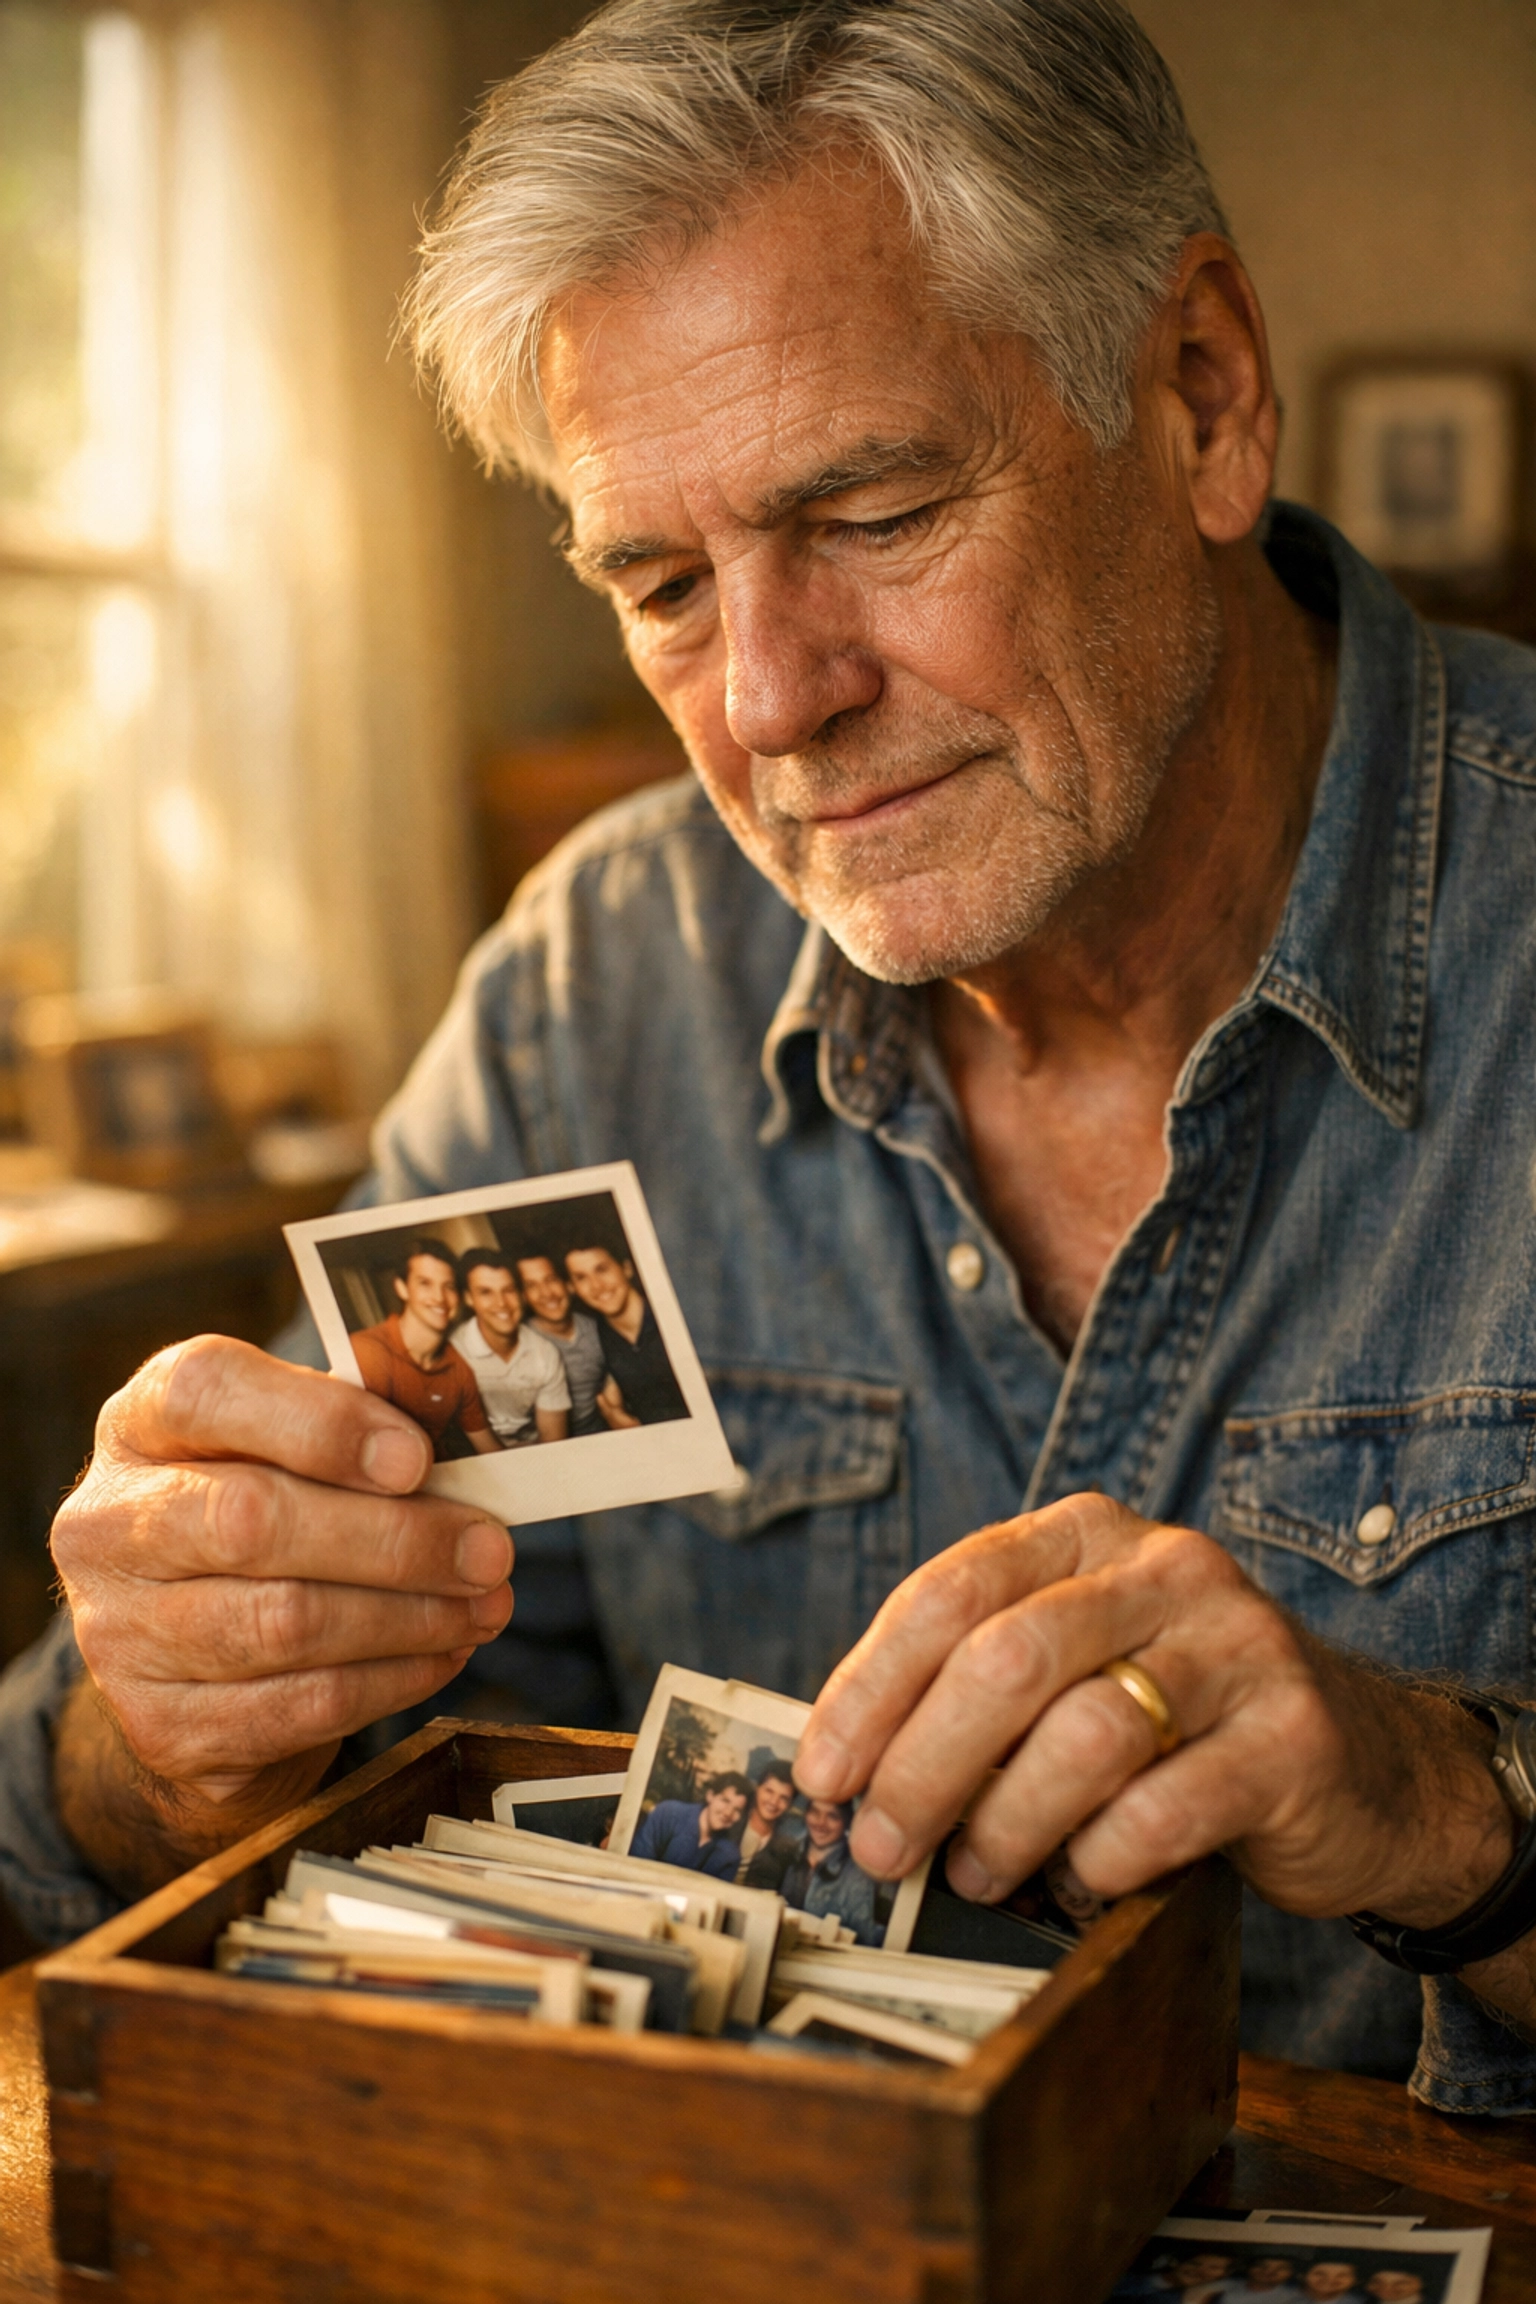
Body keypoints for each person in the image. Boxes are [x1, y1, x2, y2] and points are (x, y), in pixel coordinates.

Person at [7, 0, 1536, 2115]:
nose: (772, 699)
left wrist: (1458, 1820)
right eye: (655, 580)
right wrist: (168, 1719)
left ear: (1200, 398)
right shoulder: (593, 990)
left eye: (882, 513)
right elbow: (96, 1835)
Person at [350, 1242, 500, 1461]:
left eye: (448, 1287)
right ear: (402, 1288)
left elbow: (489, 1448)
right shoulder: (367, 1352)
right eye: (425, 1283)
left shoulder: (458, 1368)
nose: (439, 1297)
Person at [451, 1250, 571, 1447]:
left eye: (508, 1290)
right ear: (468, 1298)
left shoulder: (545, 1353)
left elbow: (554, 1441)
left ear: (521, 1295)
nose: (501, 1303)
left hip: (535, 1450)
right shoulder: (454, 1353)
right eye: (486, 1292)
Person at [564, 1244, 687, 1427]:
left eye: (602, 1270)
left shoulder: (674, 1316)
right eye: (581, 1278)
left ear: (626, 1268)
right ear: (572, 1288)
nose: (597, 1285)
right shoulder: (595, 1338)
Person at [516, 1253, 626, 1436]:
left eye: (551, 1280)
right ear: (524, 1296)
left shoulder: (597, 1329)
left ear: (569, 1285)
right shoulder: (519, 1344)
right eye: (531, 1286)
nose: (547, 1293)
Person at [770, 1797, 885, 1947]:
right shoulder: (786, 1852)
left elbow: (864, 1940)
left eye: (832, 1816)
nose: (820, 1823)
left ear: (846, 1822)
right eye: (815, 1812)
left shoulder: (858, 1874)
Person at [628, 1773, 753, 1879]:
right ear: (710, 1795)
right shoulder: (668, 1814)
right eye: (725, 1801)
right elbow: (635, 1864)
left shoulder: (729, 1857)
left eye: (737, 1810)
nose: (728, 1813)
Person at [733, 1759, 800, 1884]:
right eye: (769, 1791)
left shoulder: (785, 1852)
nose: (774, 1802)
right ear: (757, 1789)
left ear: (790, 1804)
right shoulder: (730, 1826)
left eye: (784, 1798)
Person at [1112, 2256, 1236, 2301]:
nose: (1199, 2271)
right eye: (1194, 2263)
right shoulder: (1128, 2281)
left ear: (1224, 2275)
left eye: (1213, 2268)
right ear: (1176, 2263)